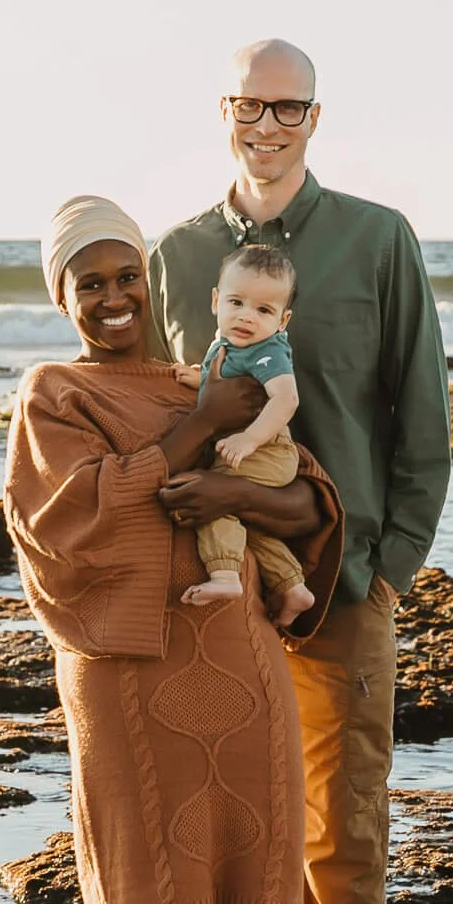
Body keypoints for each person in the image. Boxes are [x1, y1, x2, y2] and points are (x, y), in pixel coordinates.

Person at [4, 194, 345, 904]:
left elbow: (307, 500)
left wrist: (229, 481)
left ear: (150, 281)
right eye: (90, 283)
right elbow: (65, 520)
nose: (113, 297)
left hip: (240, 654)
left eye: (127, 276)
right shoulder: (55, 393)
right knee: (138, 882)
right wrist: (197, 431)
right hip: (127, 669)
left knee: (261, 875)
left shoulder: (211, 372)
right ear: (63, 296)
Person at [149, 39, 451, 904]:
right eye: (251, 104)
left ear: (315, 117)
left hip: (345, 586)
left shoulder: (378, 238)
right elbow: (158, 412)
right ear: (224, 108)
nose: (267, 125)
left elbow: (422, 410)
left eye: (288, 107)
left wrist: (392, 567)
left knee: (342, 828)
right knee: (245, 830)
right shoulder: (175, 254)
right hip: (224, 586)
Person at [171, 243, 314, 627]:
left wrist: (249, 439)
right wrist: (198, 377)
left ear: (283, 320)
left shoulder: (268, 352)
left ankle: (224, 577)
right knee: (245, 522)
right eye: (236, 302)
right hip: (253, 449)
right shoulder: (230, 342)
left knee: (214, 500)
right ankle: (293, 586)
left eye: (264, 310)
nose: (246, 316)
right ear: (216, 301)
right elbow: (227, 375)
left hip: (266, 449)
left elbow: (286, 398)